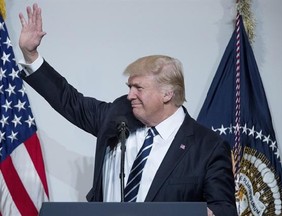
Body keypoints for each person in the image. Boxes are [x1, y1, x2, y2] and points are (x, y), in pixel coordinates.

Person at [18, 3, 237, 216]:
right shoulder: (117, 116)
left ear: (167, 94)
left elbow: (223, 210)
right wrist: (32, 57)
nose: (130, 95)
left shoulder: (208, 147)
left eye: (138, 88)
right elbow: (69, 100)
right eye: (129, 87)